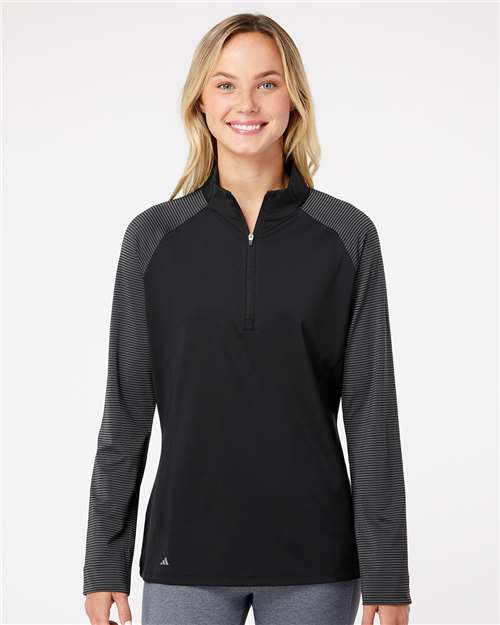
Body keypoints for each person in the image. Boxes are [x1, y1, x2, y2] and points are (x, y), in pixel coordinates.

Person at [83, 12, 412, 625]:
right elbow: (126, 407)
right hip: (185, 555)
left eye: (267, 83)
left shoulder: (347, 236)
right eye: (226, 84)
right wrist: (105, 562)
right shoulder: (152, 239)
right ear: (201, 102)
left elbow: (372, 411)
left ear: (294, 99)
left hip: (316, 560)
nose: (247, 103)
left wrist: (389, 576)